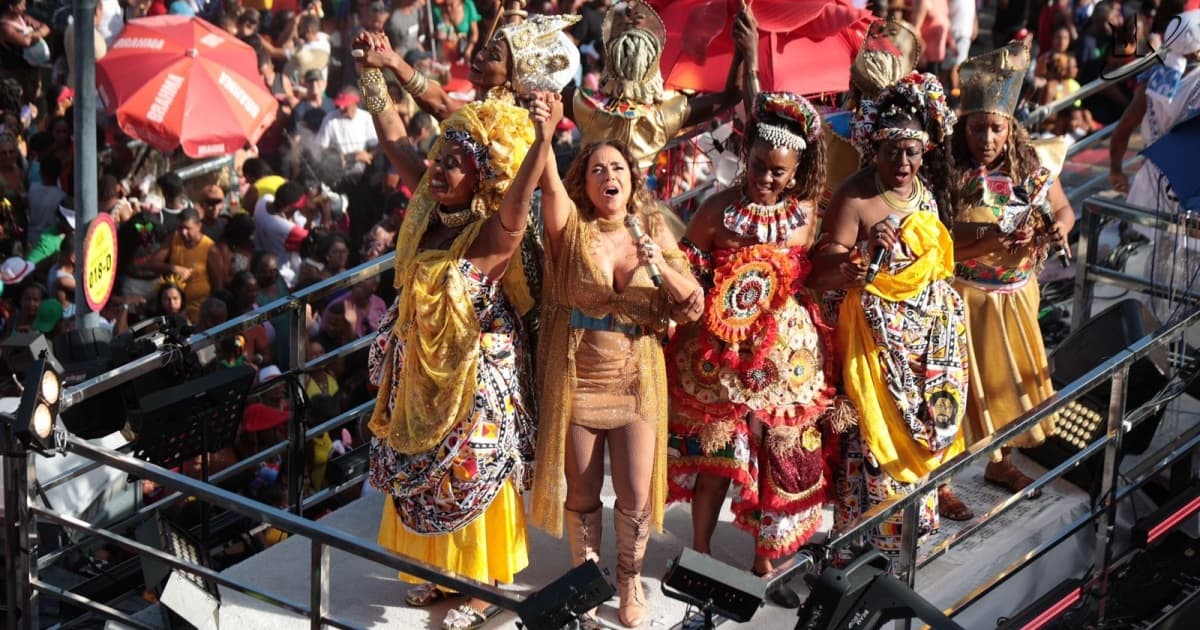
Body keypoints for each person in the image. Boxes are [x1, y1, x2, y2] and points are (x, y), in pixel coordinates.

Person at [365, 93, 552, 630]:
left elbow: (518, 208)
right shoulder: (427, 215)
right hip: (420, 371)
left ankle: (485, 587)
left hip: (475, 376)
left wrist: (542, 141)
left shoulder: (491, 231)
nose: (439, 169)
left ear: (482, 177)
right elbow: (398, 144)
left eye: (454, 162)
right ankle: (443, 572)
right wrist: (376, 79)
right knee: (424, 477)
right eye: (440, 158)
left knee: (468, 474)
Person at [531, 136, 700, 627]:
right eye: (598, 169)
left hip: (636, 377)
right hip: (580, 378)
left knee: (635, 494)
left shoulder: (652, 228)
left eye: (619, 168)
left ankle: (628, 582)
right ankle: (586, 589)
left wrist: (660, 265)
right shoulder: (572, 228)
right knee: (582, 496)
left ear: (632, 178)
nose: (610, 176)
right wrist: (545, 133)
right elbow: (547, 187)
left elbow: (693, 304)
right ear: (584, 183)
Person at [809, 71, 968, 562]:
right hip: (873, 348)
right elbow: (819, 271)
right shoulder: (854, 198)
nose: (903, 162)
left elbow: (936, 261)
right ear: (873, 149)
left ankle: (906, 548)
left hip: (925, 345)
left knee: (923, 432)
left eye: (912, 152)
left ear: (926, 152)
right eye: (892, 151)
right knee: (870, 442)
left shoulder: (928, 194)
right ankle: (863, 550)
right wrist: (857, 257)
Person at [951, 40, 1075, 497]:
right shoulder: (945, 171)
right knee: (956, 388)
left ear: (1011, 129)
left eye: (995, 130)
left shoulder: (1034, 164)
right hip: (963, 295)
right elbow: (937, 231)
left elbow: (1064, 210)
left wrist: (1054, 229)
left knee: (1005, 387)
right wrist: (985, 238)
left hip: (1017, 295)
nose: (986, 140)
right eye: (977, 129)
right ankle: (939, 482)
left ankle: (999, 463)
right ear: (964, 127)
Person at [563, 0, 746, 172]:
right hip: (639, 205)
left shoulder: (584, 104)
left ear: (609, 62)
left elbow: (548, 91)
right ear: (654, 68)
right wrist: (744, 43)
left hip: (585, 204)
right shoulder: (661, 118)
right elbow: (730, 96)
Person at [1109, 9, 1200, 319]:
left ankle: (1157, 328)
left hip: (1155, 181)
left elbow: (1122, 131)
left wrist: (1115, 168)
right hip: (1189, 183)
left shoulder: (1154, 77)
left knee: (1160, 261)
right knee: (1188, 266)